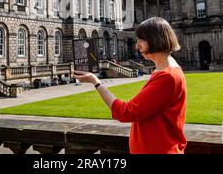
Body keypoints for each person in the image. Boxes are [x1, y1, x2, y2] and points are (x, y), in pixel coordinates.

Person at [73, 17, 187, 154]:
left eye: (141, 40)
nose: (137, 45)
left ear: (155, 39)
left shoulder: (168, 77)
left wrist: (96, 82)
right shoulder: (163, 71)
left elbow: (126, 112)